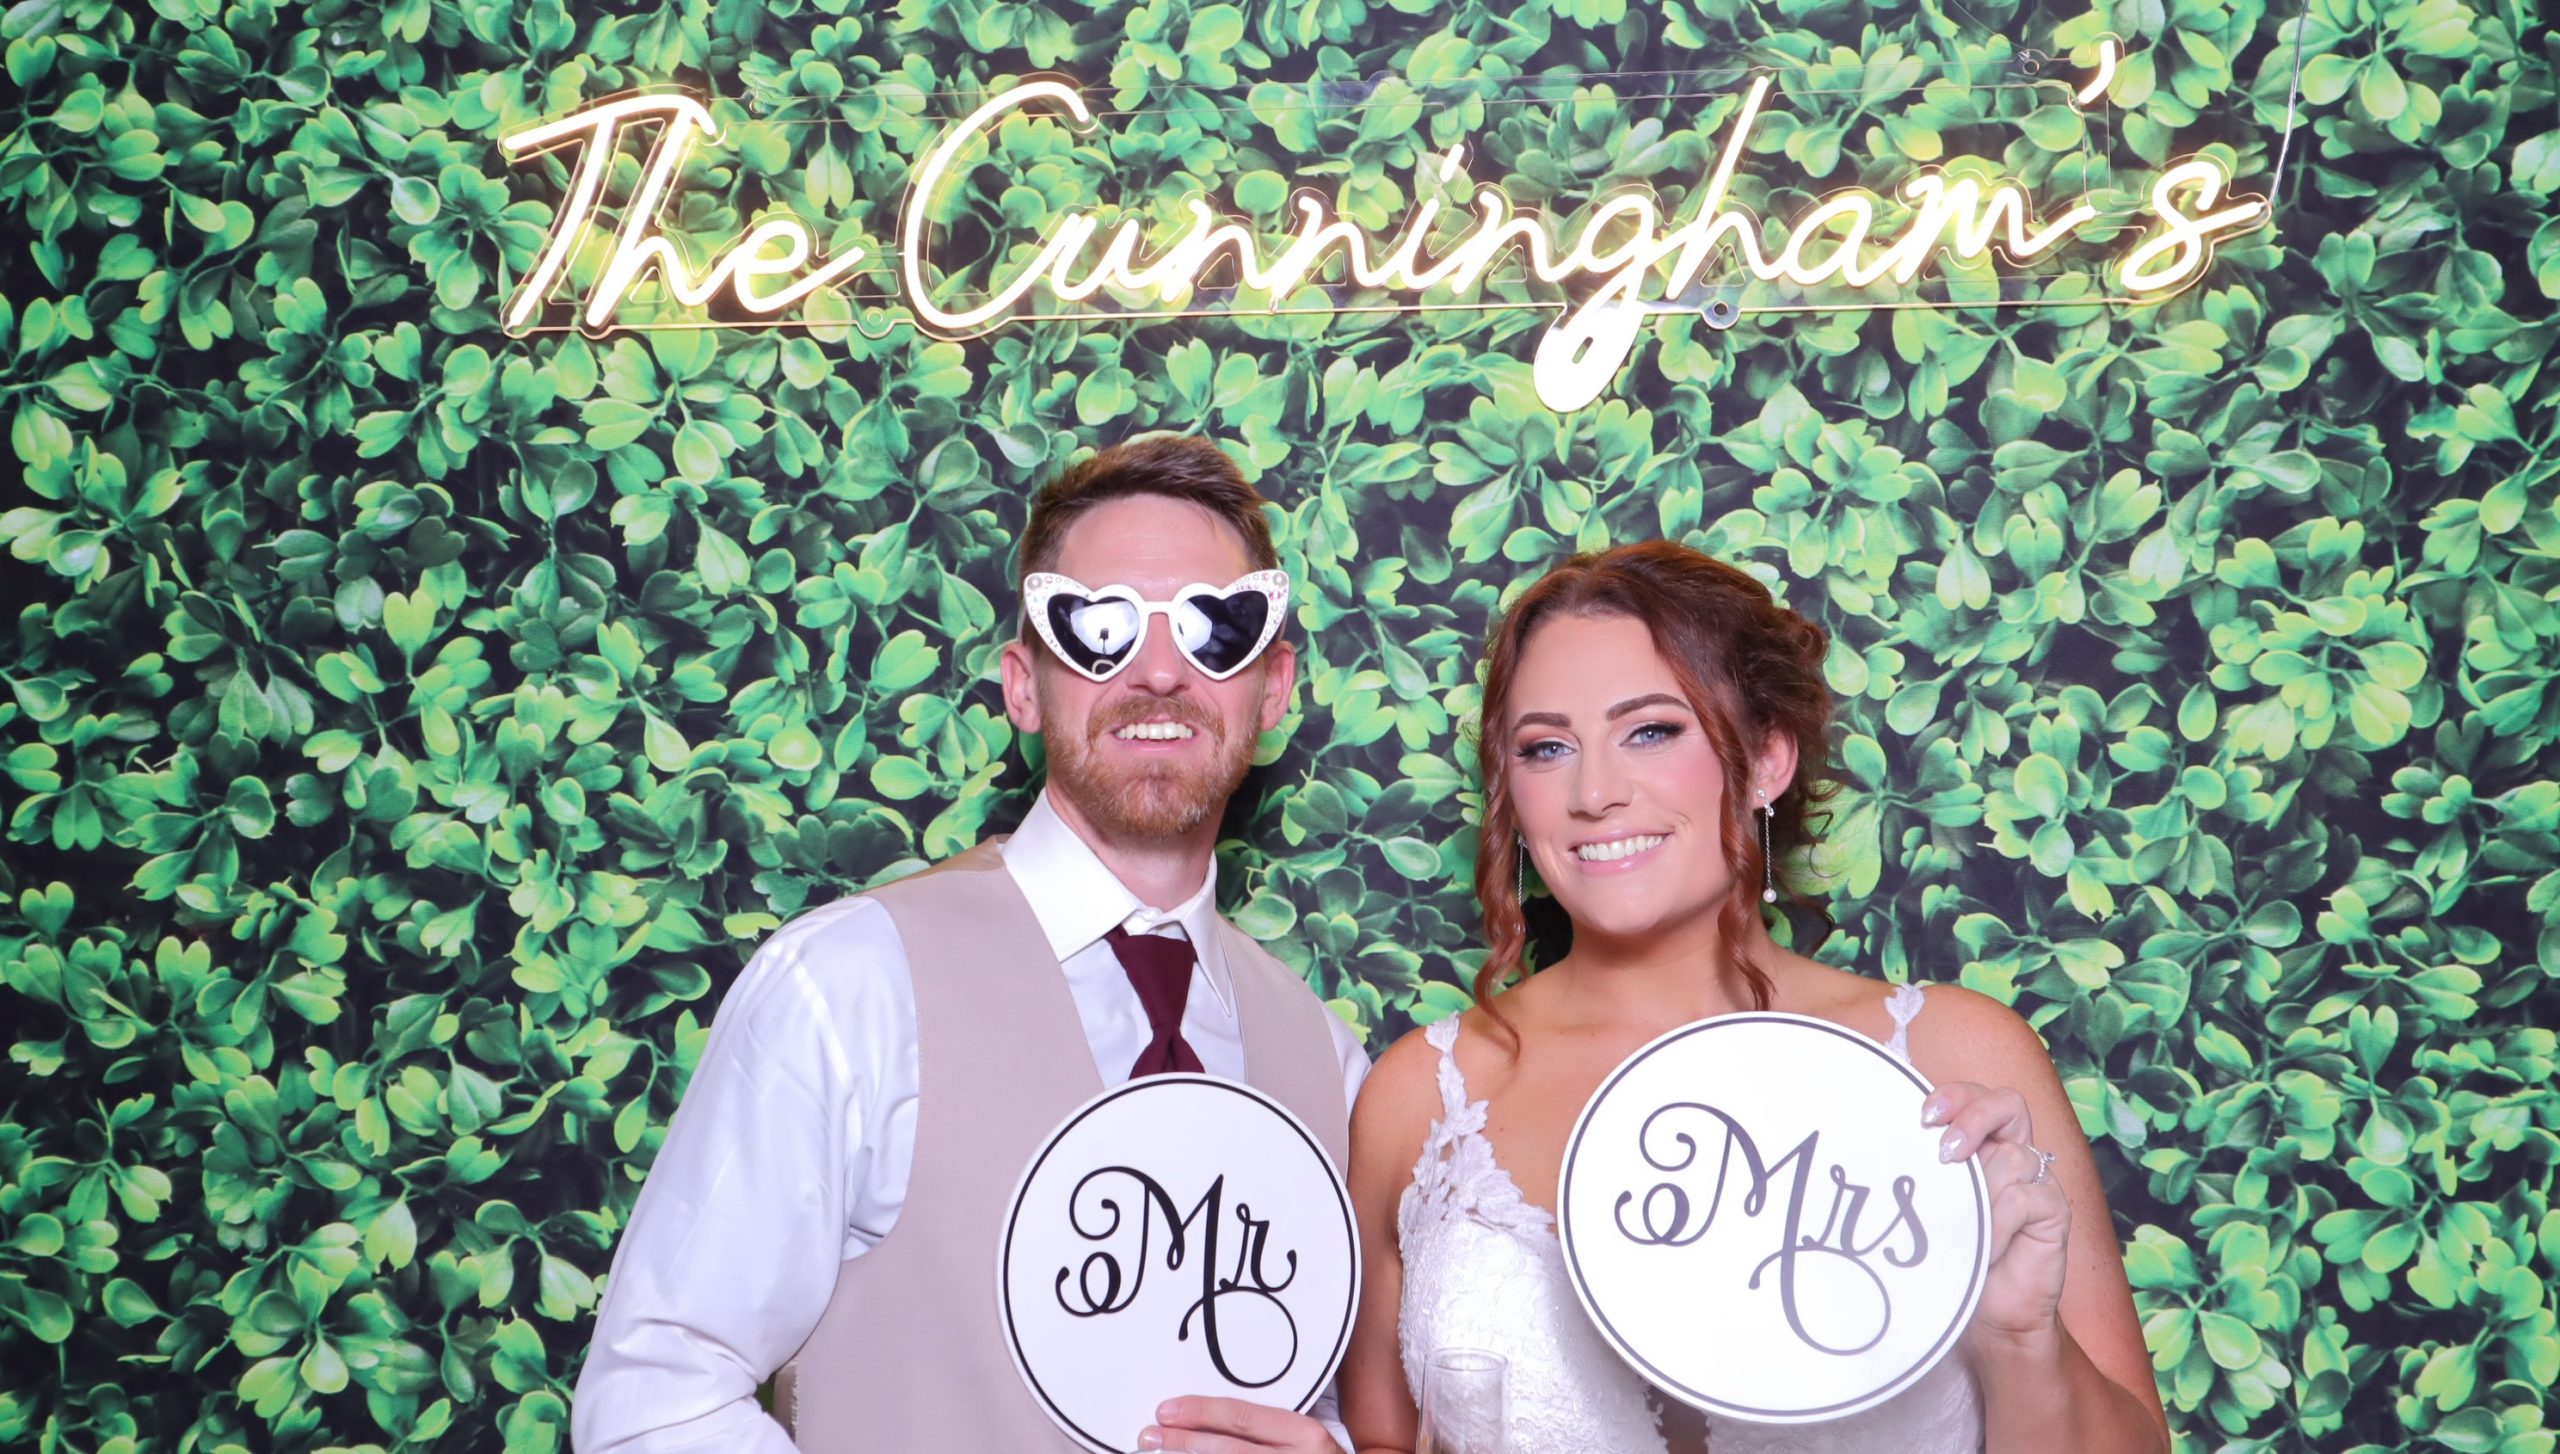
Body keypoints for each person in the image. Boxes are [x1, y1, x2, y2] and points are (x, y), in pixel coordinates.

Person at [572, 435, 1366, 1454]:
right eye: (1097, 628)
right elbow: (655, 1398)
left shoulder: (1326, 1064)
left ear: (1273, 689)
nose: (1160, 670)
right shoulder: (849, 984)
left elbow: (1331, 1402)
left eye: (1218, 628)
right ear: (1024, 685)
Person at [1337, 541, 2169, 1454]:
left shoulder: (1956, 1063)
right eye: (1546, 748)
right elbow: (1384, 1438)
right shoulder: (1422, 1095)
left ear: (1768, 757)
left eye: (1651, 730)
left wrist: (2020, 1340)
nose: (1595, 791)